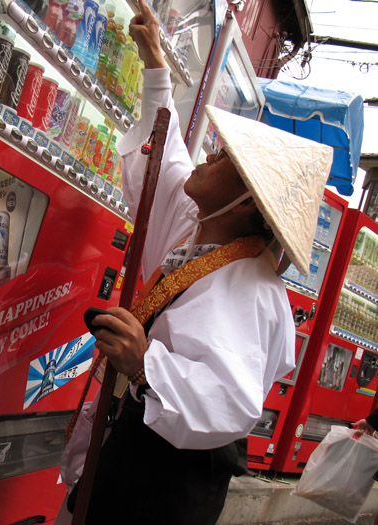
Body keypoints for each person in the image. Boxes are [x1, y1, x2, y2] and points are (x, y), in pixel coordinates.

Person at [56, 1, 334, 523]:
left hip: (163, 485)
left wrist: (145, 363)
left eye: (224, 157)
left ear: (248, 200)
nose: (207, 156)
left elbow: (230, 401)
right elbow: (167, 164)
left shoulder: (254, 289)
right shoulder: (200, 232)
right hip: (132, 451)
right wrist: (156, 64)